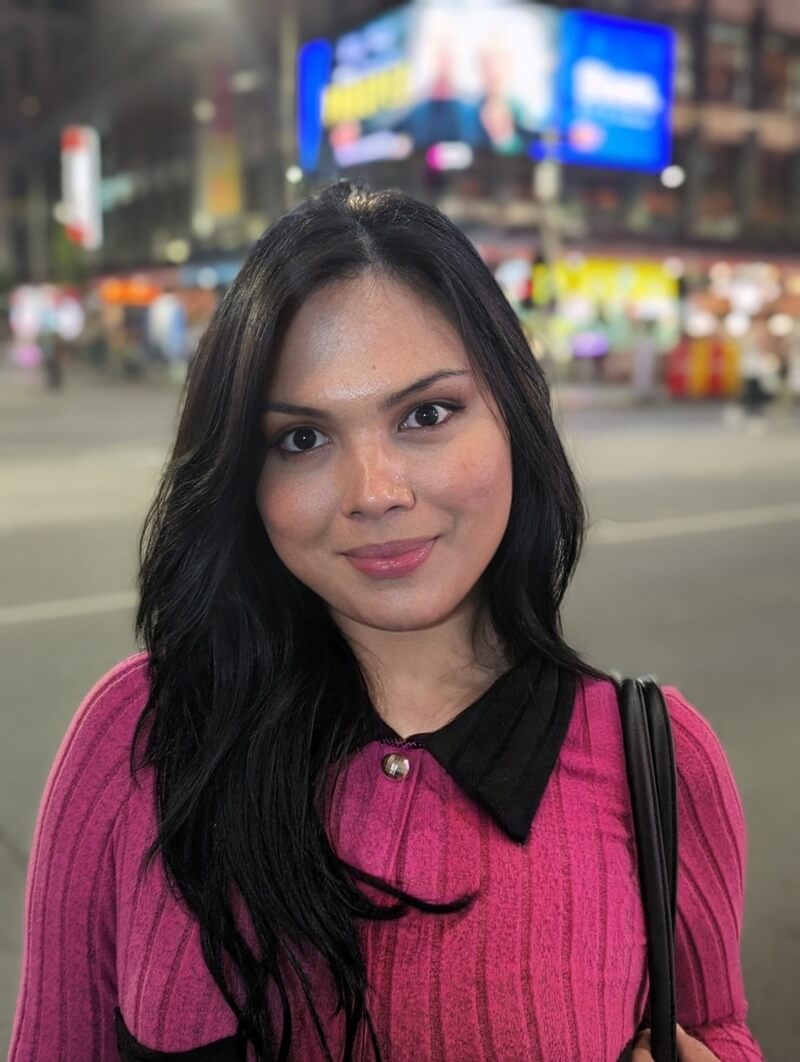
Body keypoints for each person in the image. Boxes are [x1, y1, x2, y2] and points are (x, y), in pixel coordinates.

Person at [10, 183, 763, 1061]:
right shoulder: (136, 734)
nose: (374, 493)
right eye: (301, 438)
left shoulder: (657, 760)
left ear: (515, 412)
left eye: (426, 415)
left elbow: (714, 1026)